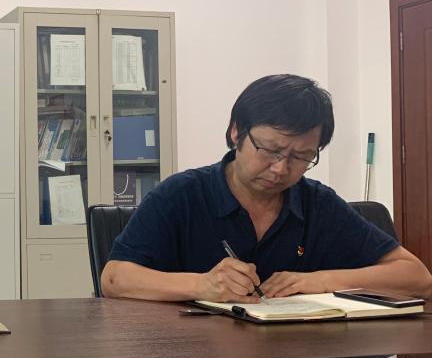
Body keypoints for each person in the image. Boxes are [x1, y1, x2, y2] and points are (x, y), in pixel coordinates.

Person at [102, 73, 431, 302]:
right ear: (236, 132)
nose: (281, 168)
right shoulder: (180, 195)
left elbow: (417, 278)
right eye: (270, 150)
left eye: (301, 157)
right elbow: (115, 278)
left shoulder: (318, 204)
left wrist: (319, 280)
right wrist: (201, 285)